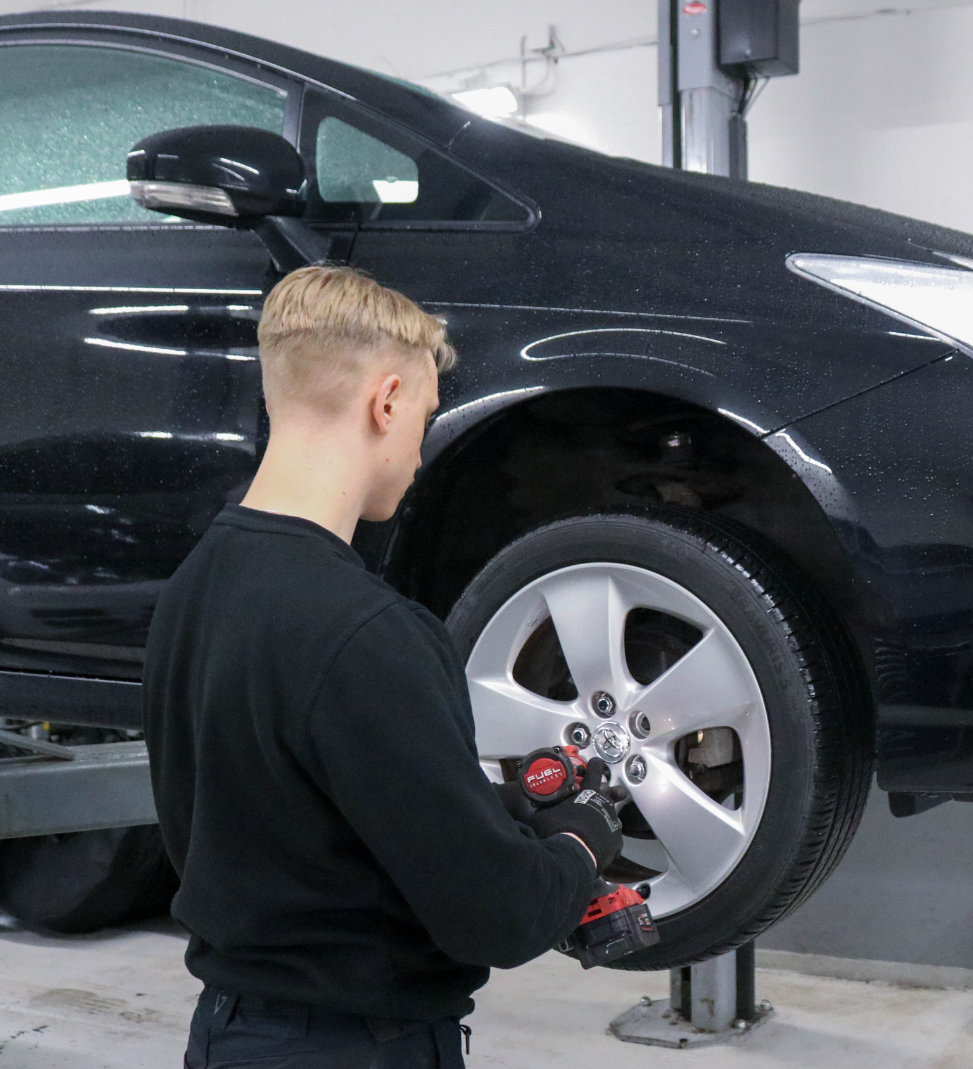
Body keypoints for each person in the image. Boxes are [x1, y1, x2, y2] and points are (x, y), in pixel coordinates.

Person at [143, 264, 621, 1068]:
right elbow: (497, 916)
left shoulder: (192, 591)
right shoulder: (367, 632)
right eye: (425, 417)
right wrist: (580, 843)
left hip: (228, 1035)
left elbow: (288, 808)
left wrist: (489, 807)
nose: (421, 452)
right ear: (387, 400)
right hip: (355, 1047)